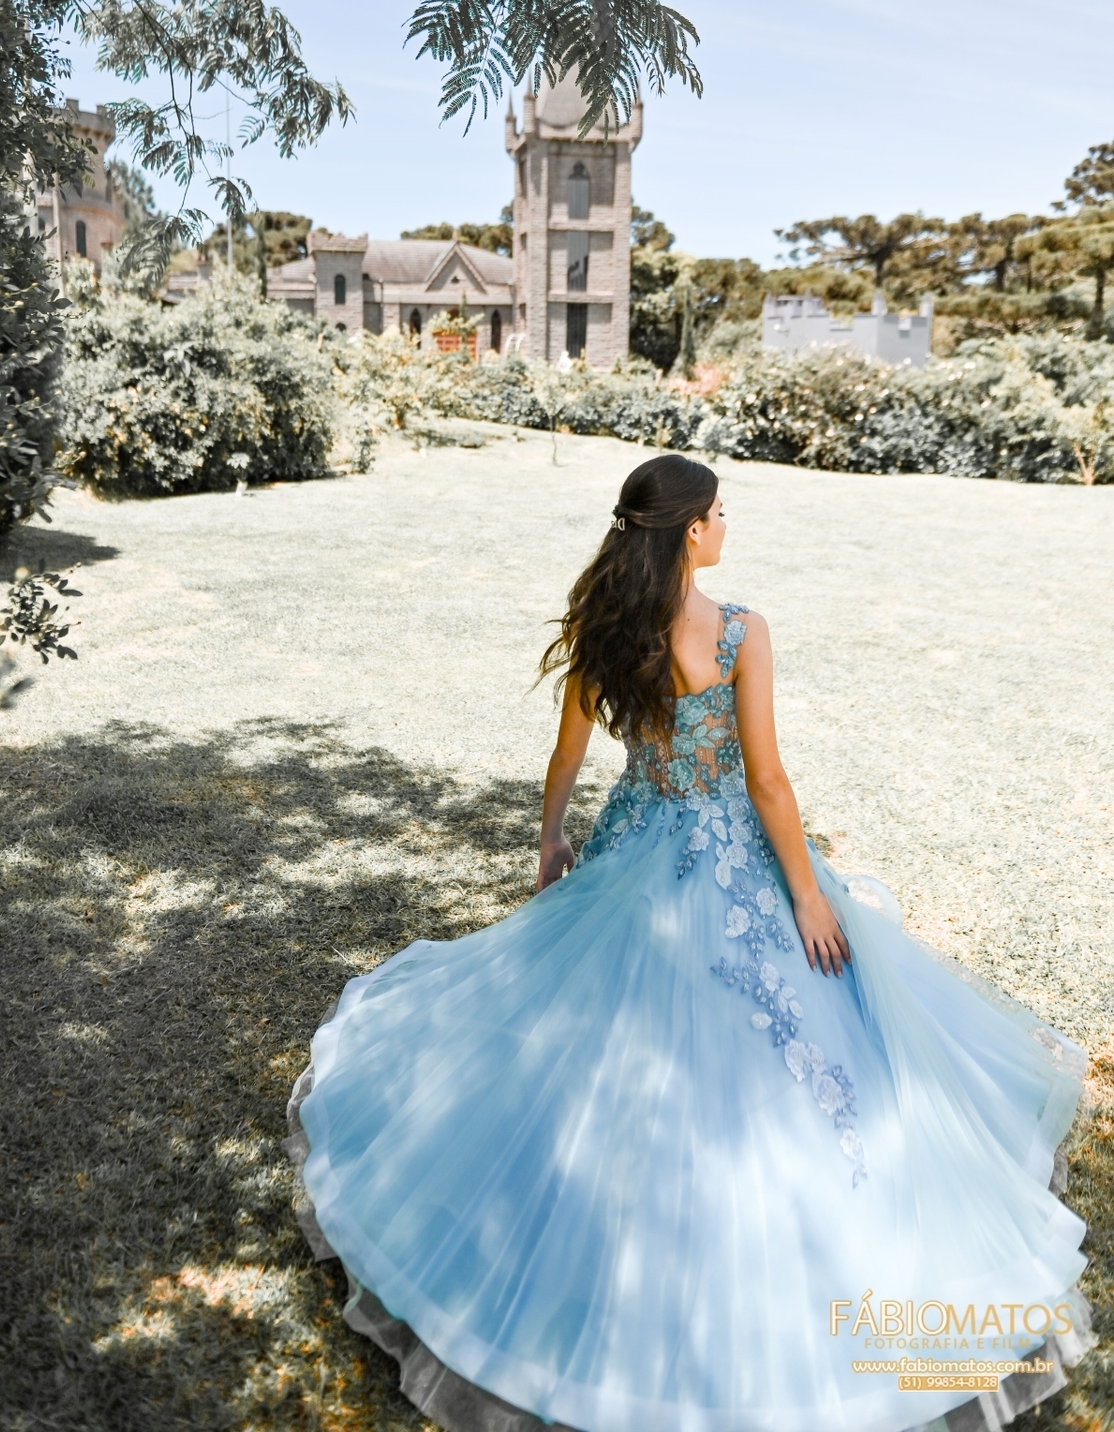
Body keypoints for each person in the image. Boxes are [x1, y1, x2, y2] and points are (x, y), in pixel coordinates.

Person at [287, 453, 1092, 1432]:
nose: (726, 522)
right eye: (717, 512)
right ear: (689, 532)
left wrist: (551, 842)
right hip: (739, 862)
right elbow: (766, 783)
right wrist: (807, 894)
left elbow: (569, 756)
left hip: (639, 846)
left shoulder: (608, 631)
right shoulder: (742, 631)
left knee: (593, 1036)